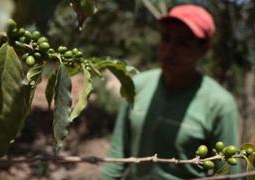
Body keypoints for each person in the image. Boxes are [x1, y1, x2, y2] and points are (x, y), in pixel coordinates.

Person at [101, 4, 240, 180]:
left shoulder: (220, 104)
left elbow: (228, 173)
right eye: (166, 38)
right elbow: (117, 154)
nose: (169, 50)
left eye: (183, 43)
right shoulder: (135, 86)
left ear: (203, 50)